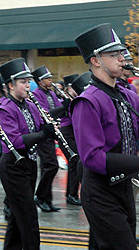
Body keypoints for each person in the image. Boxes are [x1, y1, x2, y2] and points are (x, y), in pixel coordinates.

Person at [71, 23, 139, 250]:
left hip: (124, 186)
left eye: (121, 54)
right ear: (96, 60)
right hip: (100, 190)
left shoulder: (127, 95)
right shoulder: (87, 102)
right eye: (114, 55)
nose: (122, 59)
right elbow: (92, 158)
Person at [0, 58, 55, 250]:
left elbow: (39, 128)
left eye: (28, 81)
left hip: (29, 164)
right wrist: (41, 134)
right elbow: (15, 140)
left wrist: (49, 129)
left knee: (17, 215)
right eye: (23, 82)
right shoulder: (5, 108)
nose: (28, 85)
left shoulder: (30, 105)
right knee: (29, 217)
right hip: (13, 166)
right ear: (11, 85)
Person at [30, 65, 70, 212]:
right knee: (51, 165)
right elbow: (45, 114)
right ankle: (40, 196)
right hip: (43, 133)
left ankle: (47, 199)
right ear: (40, 82)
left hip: (52, 132)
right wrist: (62, 108)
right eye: (47, 78)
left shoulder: (51, 93)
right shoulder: (35, 94)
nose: (50, 80)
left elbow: (59, 110)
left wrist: (67, 106)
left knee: (47, 166)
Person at [58, 73, 82, 206]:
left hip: (74, 133)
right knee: (75, 161)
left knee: (75, 163)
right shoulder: (65, 100)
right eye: (74, 88)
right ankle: (72, 194)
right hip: (66, 133)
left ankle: (71, 194)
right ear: (68, 88)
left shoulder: (77, 99)